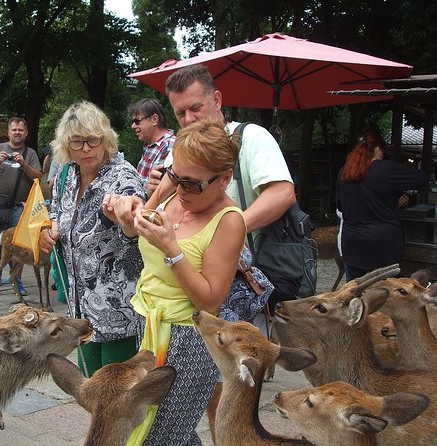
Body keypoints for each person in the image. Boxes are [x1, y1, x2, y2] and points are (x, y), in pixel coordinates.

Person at [119, 64, 297, 442]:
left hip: (196, 323)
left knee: (191, 420)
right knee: (169, 427)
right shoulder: (182, 164)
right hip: (151, 322)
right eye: (179, 113)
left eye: (194, 109)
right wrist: (126, 213)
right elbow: (142, 222)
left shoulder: (251, 142)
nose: (187, 119)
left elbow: (283, 193)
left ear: (217, 100)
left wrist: (217, 233)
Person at [103, 120, 245, 445]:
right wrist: (123, 213)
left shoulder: (229, 221)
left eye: (192, 184)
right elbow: (135, 230)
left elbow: (209, 302)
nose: (182, 190)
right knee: (161, 429)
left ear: (225, 179)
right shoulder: (173, 192)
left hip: (189, 340)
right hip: (148, 325)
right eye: (175, 176)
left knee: (159, 437)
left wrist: (172, 250)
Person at [39, 100, 145, 377]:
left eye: (93, 140)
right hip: (81, 311)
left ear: (105, 139)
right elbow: (57, 211)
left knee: (117, 396)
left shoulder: (123, 177)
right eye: (77, 142)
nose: (86, 148)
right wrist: (48, 230)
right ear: (66, 145)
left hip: (120, 312)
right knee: (91, 387)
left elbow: (136, 220)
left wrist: (126, 218)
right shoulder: (67, 175)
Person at [336, 129, 427, 281]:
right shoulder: (385, 169)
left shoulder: (343, 173)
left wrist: (389, 202)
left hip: (352, 243)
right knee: (385, 297)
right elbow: (421, 179)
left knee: (354, 294)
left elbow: (340, 206)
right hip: (383, 245)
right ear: (378, 149)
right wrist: (393, 202)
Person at [0, 118, 42, 296]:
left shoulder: (30, 153)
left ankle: (16, 280)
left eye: (21, 130)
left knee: (20, 244)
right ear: (8, 132)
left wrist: (24, 163)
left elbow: (38, 177)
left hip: (20, 207)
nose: (17, 133)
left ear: (26, 133)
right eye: (14, 130)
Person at [128, 98, 175, 196]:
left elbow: (159, 192)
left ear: (154, 120)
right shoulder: (150, 145)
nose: (133, 126)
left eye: (137, 121)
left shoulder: (169, 146)